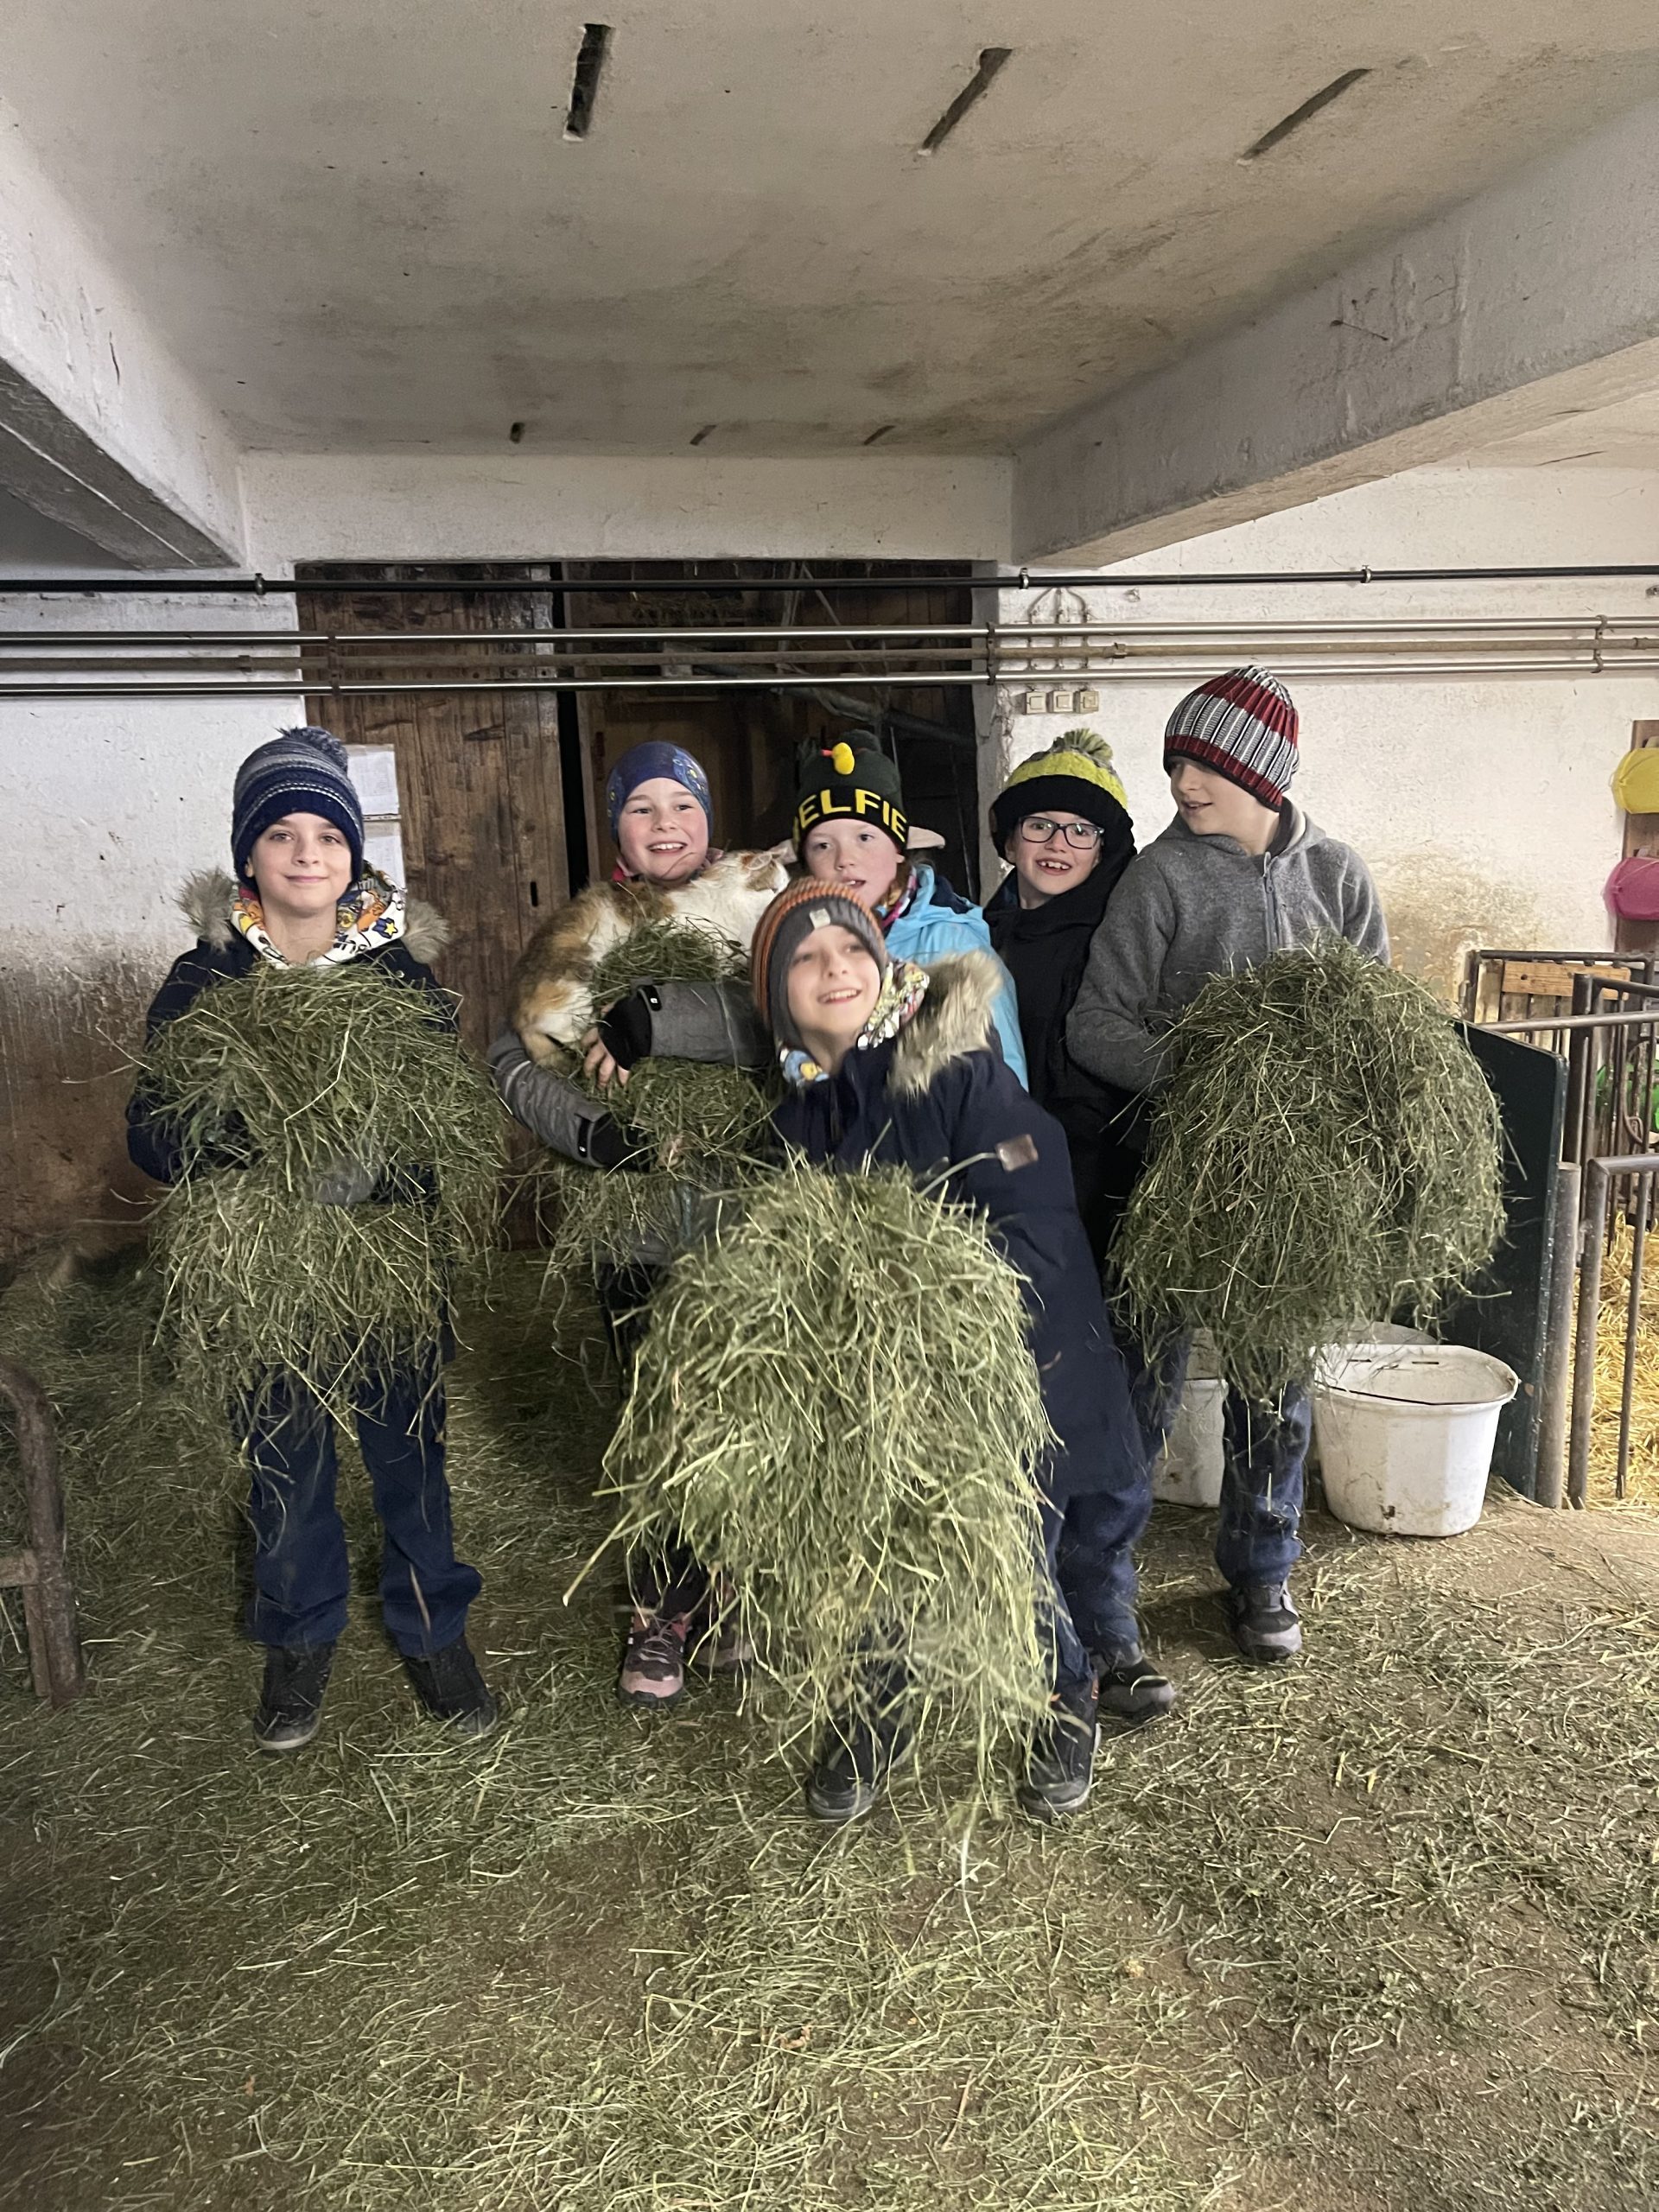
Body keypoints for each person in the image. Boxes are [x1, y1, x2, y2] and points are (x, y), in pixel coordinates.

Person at [749, 880, 1162, 1825]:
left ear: (883, 964)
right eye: (806, 959)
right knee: (877, 1546)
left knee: (1010, 1546)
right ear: (777, 997)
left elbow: (1032, 1200)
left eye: (853, 949)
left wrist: (949, 1312)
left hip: (1005, 1363)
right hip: (880, 1382)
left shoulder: (952, 1067)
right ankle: (880, 1706)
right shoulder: (798, 1114)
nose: (836, 969)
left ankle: (1062, 1696)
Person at [126, 726, 498, 1753]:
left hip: (383, 1266)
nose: (306, 853)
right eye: (281, 833)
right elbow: (150, 1131)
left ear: (353, 855)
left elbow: (452, 1129)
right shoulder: (205, 977)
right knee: (285, 1464)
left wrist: (380, 1174)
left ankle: (435, 1632)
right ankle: (299, 1635)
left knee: (409, 1458)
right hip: (262, 1277)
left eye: (327, 835)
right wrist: (250, 1146)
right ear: (248, 854)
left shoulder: (397, 977)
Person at [1067, 667, 1389, 1666]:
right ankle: (1101, 1586)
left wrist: (1345, 1107)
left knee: (1274, 1383)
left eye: (1204, 763)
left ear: (1263, 773)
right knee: (1143, 1380)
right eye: (1176, 762)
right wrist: (1206, 1080)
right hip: (1181, 1173)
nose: (1183, 782)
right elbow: (1095, 1023)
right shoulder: (1159, 879)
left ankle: (1260, 1569)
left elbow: (1376, 1018)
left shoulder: (1337, 875)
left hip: (1296, 1187)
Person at [488, 739, 769, 1708]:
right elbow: (513, 1059)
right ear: (618, 827)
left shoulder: (754, 913)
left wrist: (658, 1013)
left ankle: (737, 1590)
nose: (664, 824)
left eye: (681, 805)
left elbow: (788, 1018)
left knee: (745, 1404)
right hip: (635, 1223)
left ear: (706, 819)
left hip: (744, 1214)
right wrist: (595, 1134)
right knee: (655, 1414)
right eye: (642, 807)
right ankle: (662, 1611)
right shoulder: (583, 929)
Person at [983, 728, 1141, 1259]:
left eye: (1080, 831)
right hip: (996, 1161)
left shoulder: (1106, 944)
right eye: (1040, 825)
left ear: (1101, 852)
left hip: (1084, 1182)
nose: (1058, 845)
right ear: (1010, 841)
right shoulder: (983, 931)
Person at [794, 737, 1029, 1084]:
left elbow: (1006, 1080)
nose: (844, 859)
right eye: (823, 845)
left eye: (864, 838)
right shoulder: (797, 946)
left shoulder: (953, 946)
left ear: (898, 849)